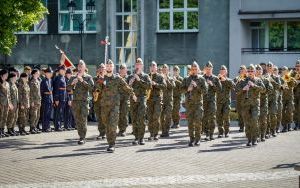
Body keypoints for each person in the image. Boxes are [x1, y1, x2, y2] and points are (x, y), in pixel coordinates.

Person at [95, 60, 137, 152]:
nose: (109, 67)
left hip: (114, 106)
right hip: (104, 106)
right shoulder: (102, 78)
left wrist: (133, 94)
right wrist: (100, 80)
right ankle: (110, 140)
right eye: (108, 66)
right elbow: (97, 89)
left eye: (111, 66)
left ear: (113, 68)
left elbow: (126, 87)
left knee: (112, 125)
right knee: (107, 124)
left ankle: (112, 144)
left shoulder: (117, 78)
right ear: (106, 67)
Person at [236, 64, 265, 146]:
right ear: (247, 72)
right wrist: (243, 89)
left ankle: (255, 139)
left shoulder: (258, 80)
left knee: (255, 120)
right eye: (249, 71)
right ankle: (249, 139)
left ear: (255, 72)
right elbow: (237, 92)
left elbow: (263, 90)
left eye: (252, 71)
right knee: (247, 122)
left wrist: (254, 85)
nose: (250, 72)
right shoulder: (242, 81)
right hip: (245, 105)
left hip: (255, 104)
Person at [67, 60, 94, 145]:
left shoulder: (88, 77)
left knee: (83, 119)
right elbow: (68, 88)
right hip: (75, 102)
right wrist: (72, 83)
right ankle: (80, 135)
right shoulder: (72, 77)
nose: (80, 68)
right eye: (79, 66)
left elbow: (91, 88)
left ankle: (82, 137)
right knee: (78, 121)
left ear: (84, 68)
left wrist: (82, 81)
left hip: (84, 102)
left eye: (81, 66)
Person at [181, 61, 207, 146]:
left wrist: (197, 86)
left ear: (198, 69)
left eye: (196, 69)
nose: (194, 70)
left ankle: (198, 139)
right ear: (190, 70)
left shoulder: (201, 79)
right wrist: (187, 89)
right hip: (189, 104)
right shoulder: (186, 79)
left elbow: (205, 91)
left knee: (198, 122)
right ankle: (191, 139)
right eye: (193, 69)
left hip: (198, 104)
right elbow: (181, 90)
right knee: (190, 122)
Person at [128, 58, 151, 145]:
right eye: (137, 64)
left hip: (141, 99)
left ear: (142, 66)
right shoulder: (131, 76)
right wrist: (130, 83)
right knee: (134, 119)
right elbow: (126, 88)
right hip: (133, 99)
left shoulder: (145, 76)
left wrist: (139, 80)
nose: (138, 66)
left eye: (139, 64)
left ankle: (141, 138)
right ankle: (136, 137)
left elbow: (149, 86)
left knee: (141, 119)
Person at [147, 61, 166, 141]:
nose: (152, 67)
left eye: (154, 66)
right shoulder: (147, 76)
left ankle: (156, 134)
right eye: (151, 66)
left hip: (157, 99)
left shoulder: (160, 77)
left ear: (156, 68)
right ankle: (151, 134)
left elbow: (164, 86)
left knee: (156, 116)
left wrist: (156, 84)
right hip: (149, 99)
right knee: (150, 117)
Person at [203, 61, 222, 141]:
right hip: (203, 100)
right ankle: (206, 133)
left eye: (210, 69)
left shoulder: (215, 78)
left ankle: (211, 134)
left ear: (212, 69)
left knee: (212, 117)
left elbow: (219, 89)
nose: (208, 70)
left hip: (212, 101)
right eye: (207, 69)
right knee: (204, 117)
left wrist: (212, 84)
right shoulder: (201, 78)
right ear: (205, 69)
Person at [216, 65, 235, 138]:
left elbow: (233, 86)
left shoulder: (229, 80)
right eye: (221, 71)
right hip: (218, 101)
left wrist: (225, 80)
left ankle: (226, 132)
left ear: (226, 72)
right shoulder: (217, 79)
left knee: (226, 116)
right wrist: (218, 80)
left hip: (226, 102)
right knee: (219, 117)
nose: (222, 72)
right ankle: (220, 132)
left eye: (224, 71)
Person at [255, 65, 273, 142]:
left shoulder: (265, 80)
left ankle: (263, 135)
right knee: (256, 119)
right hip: (255, 102)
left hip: (263, 102)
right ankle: (257, 135)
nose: (258, 72)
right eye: (257, 70)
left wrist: (264, 91)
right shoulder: (253, 80)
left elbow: (271, 89)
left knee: (263, 119)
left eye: (260, 71)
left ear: (262, 72)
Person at [265, 62, 282, 138]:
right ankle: (267, 131)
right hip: (266, 98)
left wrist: (272, 80)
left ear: (272, 68)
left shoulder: (276, 77)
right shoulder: (263, 77)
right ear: (266, 68)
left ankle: (273, 130)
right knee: (266, 115)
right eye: (268, 67)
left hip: (274, 99)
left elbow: (279, 87)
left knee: (273, 114)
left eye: (270, 67)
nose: (269, 69)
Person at [160, 64, 175, 137]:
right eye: (163, 70)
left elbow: (172, 87)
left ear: (168, 71)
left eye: (166, 70)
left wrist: (166, 80)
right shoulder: (159, 79)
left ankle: (167, 130)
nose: (164, 71)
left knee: (168, 116)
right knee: (161, 116)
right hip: (161, 100)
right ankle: (163, 131)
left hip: (169, 100)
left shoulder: (171, 79)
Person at [281, 66, 297, 132]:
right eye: (283, 70)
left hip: (290, 97)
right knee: (283, 112)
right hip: (283, 98)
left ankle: (289, 125)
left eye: (285, 70)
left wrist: (289, 78)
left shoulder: (291, 78)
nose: (284, 71)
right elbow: (279, 88)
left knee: (289, 111)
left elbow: (294, 84)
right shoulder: (280, 78)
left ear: (287, 71)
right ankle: (284, 126)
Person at [93, 64, 106, 139]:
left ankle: (105, 132)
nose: (101, 70)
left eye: (103, 68)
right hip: (97, 100)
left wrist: (103, 81)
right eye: (100, 68)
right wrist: (94, 92)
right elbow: (92, 87)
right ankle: (101, 133)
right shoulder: (95, 78)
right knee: (99, 117)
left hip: (105, 100)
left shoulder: (107, 78)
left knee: (104, 117)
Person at [53, 65, 68, 131]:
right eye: (63, 70)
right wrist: (56, 99)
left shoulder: (63, 77)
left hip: (63, 97)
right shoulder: (58, 78)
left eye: (64, 70)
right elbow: (56, 89)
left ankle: (59, 125)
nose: (64, 71)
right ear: (60, 70)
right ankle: (57, 126)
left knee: (60, 112)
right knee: (58, 112)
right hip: (59, 97)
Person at [233, 65, 247, 132]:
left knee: (246, 112)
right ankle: (241, 126)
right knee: (240, 113)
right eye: (241, 70)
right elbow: (235, 88)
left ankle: (247, 125)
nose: (242, 71)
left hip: (246, 98)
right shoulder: (236, 78)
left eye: (243, 70)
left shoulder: (247, 78)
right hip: (239, 98)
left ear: (245, 71)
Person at [118, 63, 130, 137]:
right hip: (118, 99)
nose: (122, 70)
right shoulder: (117, 78)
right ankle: (120, 129)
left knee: (124, 114)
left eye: (124, 68)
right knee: (119, 115)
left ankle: (124, 130)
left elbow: (130, 88)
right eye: (121, 68)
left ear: (126, 70)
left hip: (125, 99)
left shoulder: (128, 78)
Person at [40, 67, 54, 132]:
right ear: (46, 73)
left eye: (51, 73)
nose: (51, 74)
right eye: (49, 73)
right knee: (45, 114)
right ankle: (44, 127)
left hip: (50, 98)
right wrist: (48, 92)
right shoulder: (43, 81)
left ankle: (48, 126)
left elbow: (51, 90)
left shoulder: (50, 80)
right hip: (45, 98)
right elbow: (41, 91)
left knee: (48, 114)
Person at [0, 69, 13, 138]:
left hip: (7, 103)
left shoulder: (7, 83)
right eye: (6, 74)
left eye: (7, 75)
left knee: (5, 117)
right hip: (1, 102)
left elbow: (9, 94)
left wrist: (10, 103)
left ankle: (2, 130)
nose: (7, 76)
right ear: (2, 75)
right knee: (0, 117)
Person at [29, 69, 42, 134]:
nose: (38, 74)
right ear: (33, 74)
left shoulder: (38, 81)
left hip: (38, 101)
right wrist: (31, 101)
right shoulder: (31, 82)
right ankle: (32, 128)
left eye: (38, 73)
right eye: (37, 73)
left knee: (38, 115)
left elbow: (39, 92)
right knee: (34, 115)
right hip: (34, 101)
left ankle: (35, 127)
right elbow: (30, 93)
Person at [292, 60, 300, 130]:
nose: (298, 67)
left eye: (299, 66)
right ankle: (296, 124)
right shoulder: (292, 73)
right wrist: (294, 80)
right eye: (296, 66)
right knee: (295, 110)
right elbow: (286, 81)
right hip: (294, 95)